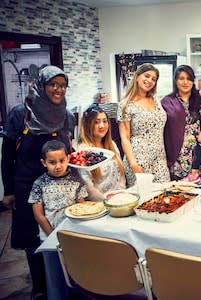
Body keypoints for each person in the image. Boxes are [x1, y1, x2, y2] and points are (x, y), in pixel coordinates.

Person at [1, 65, 76, 299]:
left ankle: (65, 279)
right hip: (26, 183)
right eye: (53, 84)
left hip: (59, 185)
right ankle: (40, 286)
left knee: (61, 231)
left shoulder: (67, 115)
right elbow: (7, 155)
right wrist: (9, 190)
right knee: (32, 236)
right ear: (42, 85)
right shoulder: (20, 113)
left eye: (62, 85)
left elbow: (69, 150)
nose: (58, 89)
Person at [118, 63, 170, 186]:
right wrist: (133, 164)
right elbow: (125, 138)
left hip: (159, 158)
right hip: (138, 159)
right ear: (137, 77)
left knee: (165, 196)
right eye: (146, 76)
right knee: (143, 200)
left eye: (154, 79)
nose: (149, 81)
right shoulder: (126, 105)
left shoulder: (156, 101)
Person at [28, 140, 88, 240]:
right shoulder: (39, 183)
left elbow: (81, 207)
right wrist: (53, 236)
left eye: (62, 161)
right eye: (52, 162)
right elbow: (39, 215)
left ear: (68, 158)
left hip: (73, 234)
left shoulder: (76, 180)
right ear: (44, 162)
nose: (58, 166)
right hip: (48, 235)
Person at [77, 104, 126, 200]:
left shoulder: (112, 145)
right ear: (88, 125)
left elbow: (121, 175)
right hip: (98, 203)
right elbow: (88, 186)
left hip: (119, 199)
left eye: (105, 121)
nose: (102, 126)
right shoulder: (83, 151)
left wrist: (121, 195)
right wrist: (105, 200)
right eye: (96, 122)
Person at [162, 65, 201, 180]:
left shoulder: (200, 99)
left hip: (199, 154)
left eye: (189, 79)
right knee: (180, 194)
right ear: (175, 81)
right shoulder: (167, 102)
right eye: (181, 78)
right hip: (177, 155)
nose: (185, 82)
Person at [93, 92, 123, 158]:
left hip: (114, 137)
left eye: (106, 96)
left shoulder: (115, 107)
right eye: (103, 97)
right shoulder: (94, 110)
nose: (105, 98)